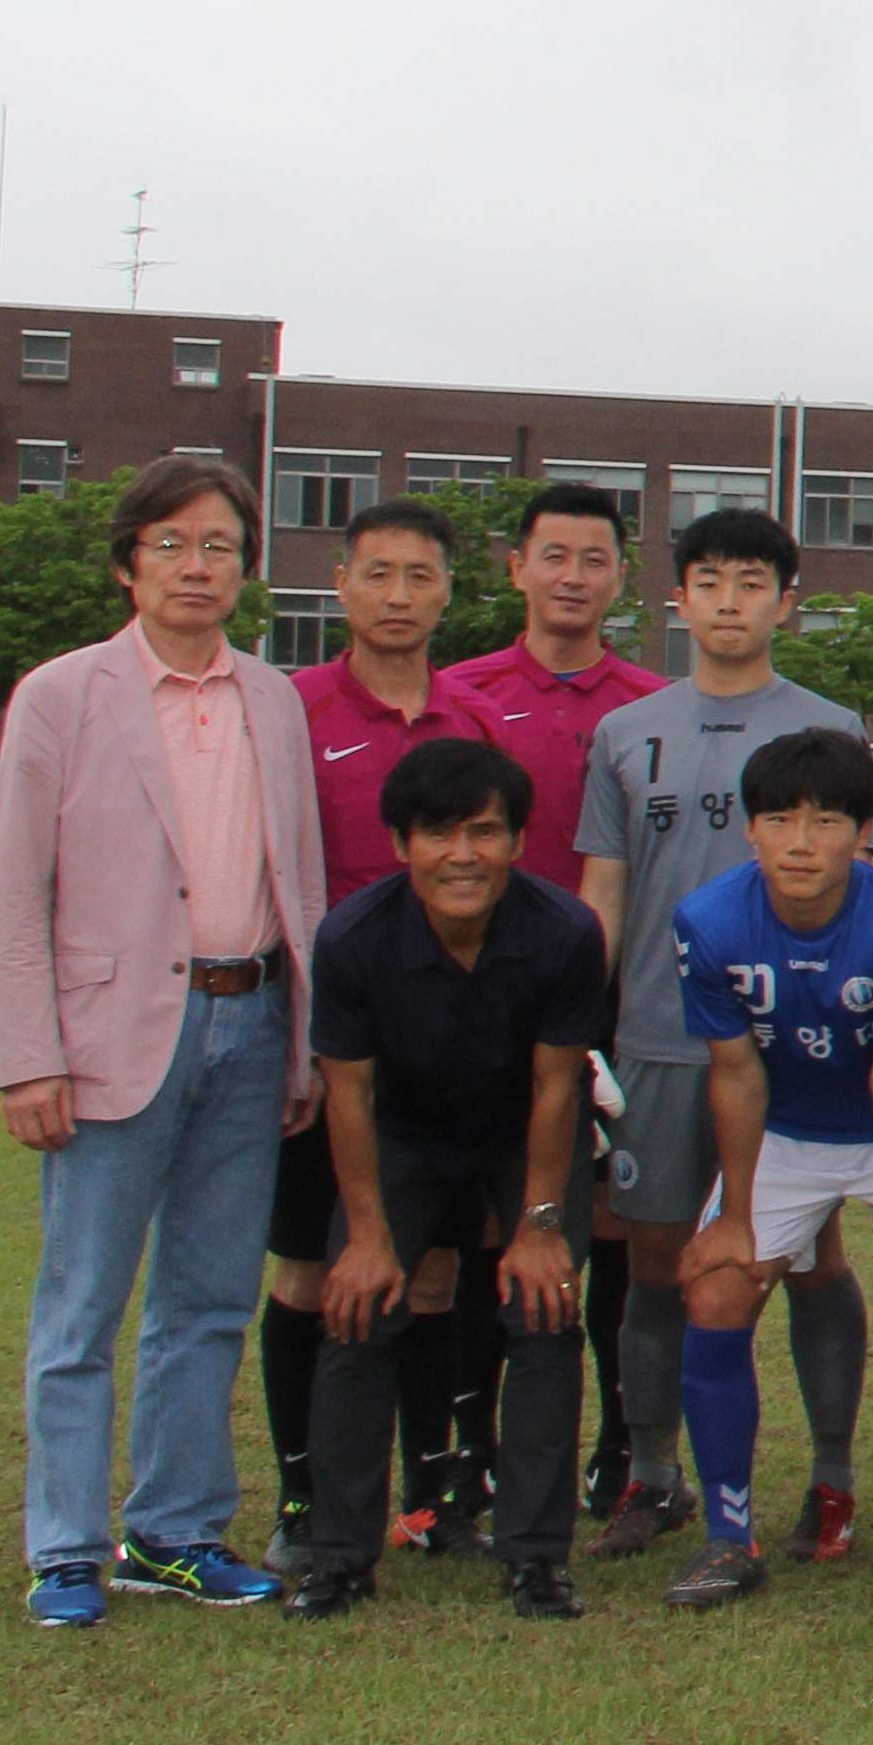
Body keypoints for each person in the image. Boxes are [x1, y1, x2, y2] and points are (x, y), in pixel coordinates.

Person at [0, 457, 321, 1626]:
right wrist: (28, 1053)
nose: (198, 565)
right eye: (174, 543)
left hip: (254, 1015)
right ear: (130, 560)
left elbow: (301, 881)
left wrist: (303, 1044)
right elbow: (19, 887)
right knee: (82, 1302)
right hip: (108, 1033)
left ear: (245, 567)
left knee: (212, 1294)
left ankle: (175, 1530)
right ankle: (65, 1547)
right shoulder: (61, 695)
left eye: (221, 545)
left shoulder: (271, 700)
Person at [573, 507, 873, 1570]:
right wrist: (585, 1022)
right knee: (657, 1254)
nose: (731, 601)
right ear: (678, 599)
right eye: (710, 581)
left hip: (797, 1043)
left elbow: (861, 889)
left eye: (753, 582)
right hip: (659, 1034)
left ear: (786, 601)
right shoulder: (625, 731)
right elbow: (601, 892)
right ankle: (650, 1473)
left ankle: (830, 1478)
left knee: (805, 1255)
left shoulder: (832, 729)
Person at [654, 728, 873, 1617]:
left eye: (828, 820)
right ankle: (729, 1536)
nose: (803, 841)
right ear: (749, 830)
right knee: (719, 1288)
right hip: (789, 1125)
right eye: (780, 819)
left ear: (864, 833)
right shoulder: (710, 921)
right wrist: (732, 1214)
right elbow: (735, 1070)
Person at [283, 738, 607, 1623]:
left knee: (546, 1310)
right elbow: (348, 1097)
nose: (462, 855)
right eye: (438, 834)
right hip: (404, 1133)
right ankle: (339, 1559)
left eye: (484, 832)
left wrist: (540, 1228)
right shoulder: (351, 938)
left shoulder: (565, 931)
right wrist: (370, 1240)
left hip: (523, 1132)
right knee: (356, 1310)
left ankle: (537, 1557)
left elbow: (556, 1084)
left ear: (516, 840)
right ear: (400, 845)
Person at [264, 497, 500, 1560]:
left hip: (445, 1048)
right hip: (325, 1037)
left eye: (420, 576)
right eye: (378, 575)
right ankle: (305, 1496)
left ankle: (426, 1490)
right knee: (316, 1274)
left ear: (448, 591)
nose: (399, 595)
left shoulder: (473, 719)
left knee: (437, 1273)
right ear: (342, 587)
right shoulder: (288, 711)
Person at [443, 481, 667, 1545]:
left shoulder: (650, 705)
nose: (572, 577)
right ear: (515, 568)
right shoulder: (462, 694)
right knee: (495, 1221)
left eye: (593, 559)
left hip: (618, 1003)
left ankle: (622, 1452)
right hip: (481, 1002)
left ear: (620, 577)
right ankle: (465, 1461)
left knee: (619, 1227)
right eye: (553, 556)